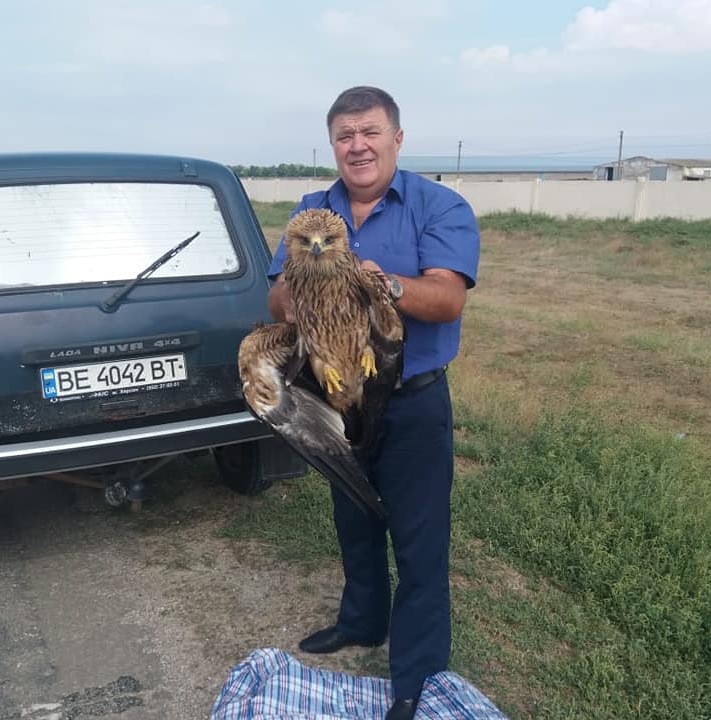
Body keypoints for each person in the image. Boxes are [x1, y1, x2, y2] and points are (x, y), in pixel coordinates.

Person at [266, 86, 480, 720]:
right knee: (355, 522)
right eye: (344, 136)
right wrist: (303, 288)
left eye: (370, 132)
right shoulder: (312, 210)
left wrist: (373, 279)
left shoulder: (439, 205)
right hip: (339, 399)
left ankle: (418, 678)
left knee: (418, 540)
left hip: (412, 401)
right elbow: (277, 298)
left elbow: (446, 300)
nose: (357, 146)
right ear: (332, 144)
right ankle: (361, 623)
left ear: (396, 138)